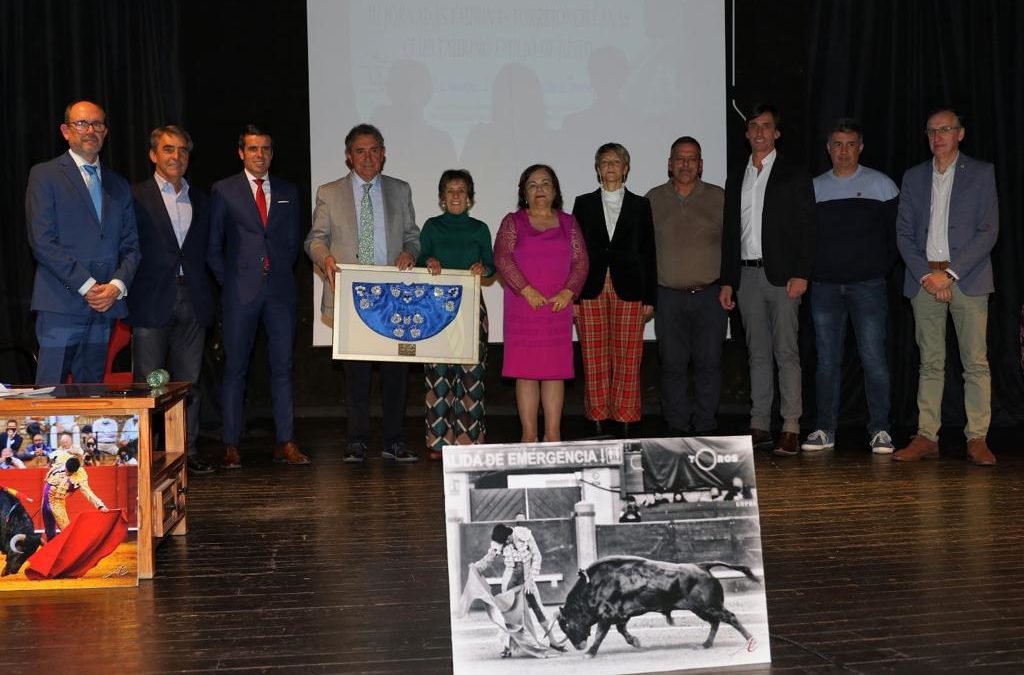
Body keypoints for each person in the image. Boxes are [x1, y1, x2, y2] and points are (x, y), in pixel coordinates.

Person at [305, 124, 421, 463]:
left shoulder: (401, 190)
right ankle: (356, 441)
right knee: (355, 376)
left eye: (374, 150)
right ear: (348, 156)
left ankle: (395, 441)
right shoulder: (329, 192)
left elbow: (413, 236)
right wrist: (324, 257)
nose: (367, 157)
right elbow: (315, 239)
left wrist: (410, 253)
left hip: (394, 297)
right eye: (360, 150)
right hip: (352, 297)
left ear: (384, 154)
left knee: (396, 375)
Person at [893, 109, 998, 466]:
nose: (938, 136)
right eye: (932, 131)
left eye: (946, 129)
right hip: (924, 278)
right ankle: (926, 435)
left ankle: (977, 438)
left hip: (967, 278)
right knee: (930, 362)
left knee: (975, 362)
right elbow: (904, 234)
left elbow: (989, 231)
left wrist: (949, 275)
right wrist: (928, 276)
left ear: (961, 134)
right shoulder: (913, 177)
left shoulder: (982, 173)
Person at [210, 124, 310, 469]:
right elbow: (213, 249)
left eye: (266, 149)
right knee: (235, 369)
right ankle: (230, 444)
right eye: (253, 149)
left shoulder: (288, 190)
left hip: (280, 292)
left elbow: (292, 242)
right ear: (241, 152)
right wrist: (233, 284)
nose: (260, 155)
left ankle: (285, 441)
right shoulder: (224, 191)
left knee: (283, 367)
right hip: (240, 295)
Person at [721, 104, 815, 456]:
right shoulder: (737, 176)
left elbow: (808, 228)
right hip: (745, 276)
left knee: (786, 352)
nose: (759, 131)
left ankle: (790, 425)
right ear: (746, 134)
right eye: (753, 126)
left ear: (776, 133)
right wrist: (728, 279)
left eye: (766, 126)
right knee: (756, 354)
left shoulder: (793, 173)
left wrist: (802, 273)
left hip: (783, 278)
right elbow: (731, 233)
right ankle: (760, 424)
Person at [801, 119, 899, 454]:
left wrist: (875, 269)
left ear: (860, 147)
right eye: (837, 145)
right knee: (827, 361)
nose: (844, 151)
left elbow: (896, 238)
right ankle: (824, 429)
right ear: (828, 149)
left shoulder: (882, 185)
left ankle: (881, 429)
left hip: (868, 286)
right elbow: (804, 240)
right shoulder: (813, 188)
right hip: (825, 288)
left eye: (850, 144)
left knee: (873, 359)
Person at [26, 100, 140, 384]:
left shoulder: (119, 184)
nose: (90, 130)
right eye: (81, 123)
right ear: (65, 131)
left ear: (105, 132)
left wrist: (116, 286)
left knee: (92, 399)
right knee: (50, 396)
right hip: (61, 304)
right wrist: (88, 286)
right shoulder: (45, 175)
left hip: (104, 307)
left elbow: (131, 246)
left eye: (97, 124)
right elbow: (42, 240)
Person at [128, 126, 215, 475]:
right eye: (168, 149)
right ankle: (146, 455)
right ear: (153, 155)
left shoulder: (202, 199)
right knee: (150, 382)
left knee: (188, 382)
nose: (175, 156)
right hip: (151, 300)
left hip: (193, 298)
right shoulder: (134, 196)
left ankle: (186, 452)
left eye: (182, 150)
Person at [494, 165, 589, 443]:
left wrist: (568, 292)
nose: (539, 189)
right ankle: (528, 435)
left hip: (557, 306)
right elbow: (502, 258)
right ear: (524, 192)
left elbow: (581, 261)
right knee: (525, 373)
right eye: (533, 184)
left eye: (545, 183)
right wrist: (526, 290)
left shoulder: (569, 222)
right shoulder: (513, 221)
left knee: (554, 372)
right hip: (523, 305)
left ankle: (553, 435)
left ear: (555, 190)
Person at [572, 143, 656, 437]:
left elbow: (649, 252)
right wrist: (573, 294)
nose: (610, 166)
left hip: (630, 287)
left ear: (626, 168)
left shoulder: (640, 205)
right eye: (604, 162)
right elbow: (576, 253)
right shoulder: (582, 204)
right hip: (590, 288)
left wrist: (650, 298)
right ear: (597, 169)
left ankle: (625, 417)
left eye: (616, 161)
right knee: (593, 356)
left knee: (628, 356)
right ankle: (596, 417)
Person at [646, 136, 728, 436]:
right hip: (667, 296)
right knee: (672, 366)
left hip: (710, 295)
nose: (685, 164)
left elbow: (732, 247)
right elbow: (644, 250)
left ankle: (706, 426)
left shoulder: (719, 197)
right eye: (679, 158)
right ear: (670, 164)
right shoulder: (652, 199)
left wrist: (729, 284)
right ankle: (677, 428)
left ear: (701, 164)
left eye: (692, 158)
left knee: (710, 364)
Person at [418, 169, 494, 459]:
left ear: (470, 198)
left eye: (461, 190)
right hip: (435, 309)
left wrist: (482, 269)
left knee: (471, 376)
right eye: (450, 191)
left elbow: (490, 265)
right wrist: (429, 260)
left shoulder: (480, 229)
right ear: (441, 198)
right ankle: (438, 443)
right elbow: (421, 257)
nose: (455, 196)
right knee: (438, 376)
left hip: (472, 308)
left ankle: (469, 442)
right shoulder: (432, 226)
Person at [472, 523, 565, 658]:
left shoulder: (524, 534)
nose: (505, 544)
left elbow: (537, 556)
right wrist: (476, 568)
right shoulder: (499, 541)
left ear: (509, 535)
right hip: (510, 578)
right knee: (507, 611)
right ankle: (507, 646)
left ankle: (553, 641)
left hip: (527, 576)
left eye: (507, 541)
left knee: (538, 607)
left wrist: (529, 580)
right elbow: (489, 558)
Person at [42, 455, 108, 541]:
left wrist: (100, 505)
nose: (67, 473)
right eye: (67, 470)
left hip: (57, 503)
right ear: (65, 465)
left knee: (66, 531)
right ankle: (52, 551)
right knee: (49, 531)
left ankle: (71, 550)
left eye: (70, 473)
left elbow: (88, 492)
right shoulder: (61, 460)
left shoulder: (80, 476)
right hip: (45, 501)